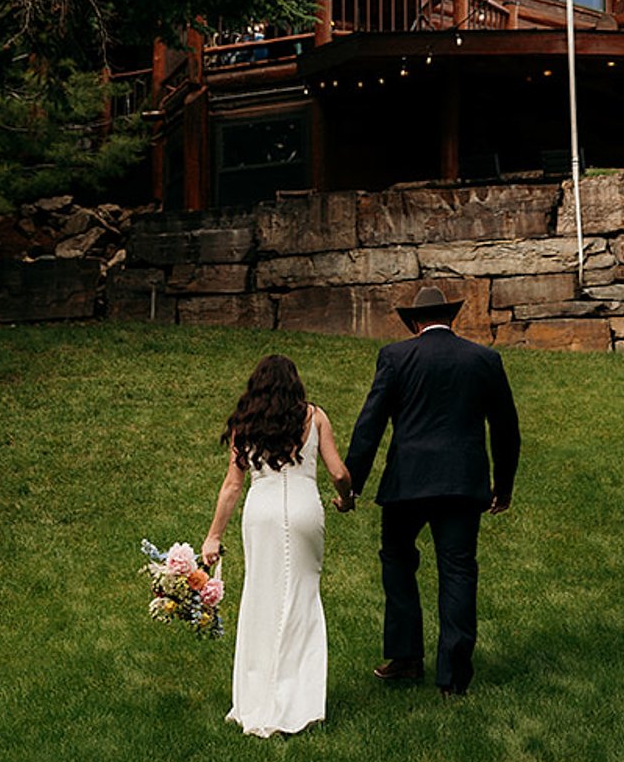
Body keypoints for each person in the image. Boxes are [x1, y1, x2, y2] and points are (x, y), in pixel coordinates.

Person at [343, 284, 521, 698]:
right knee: (458, 572)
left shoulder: (395, 357)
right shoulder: (484, 359)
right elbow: (506, 429)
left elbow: (370, 424)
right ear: (450, 318)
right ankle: (454, 678)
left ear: (415, 322)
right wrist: (504, 485)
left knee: (398, 563)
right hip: (462, 485)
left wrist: (352, 484)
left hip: (407, 484)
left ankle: (405, 658)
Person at [203, 353, 355, 737]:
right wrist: (347, 497)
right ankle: (298, 701)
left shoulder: (245, 422)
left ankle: (257, 698)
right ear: (295, 383)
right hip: (304, 510)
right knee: (303, 599)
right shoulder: (315, 416)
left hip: (262, 512)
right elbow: (338, 472)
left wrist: (214, 536)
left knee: (261, 599)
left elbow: (231, 485)